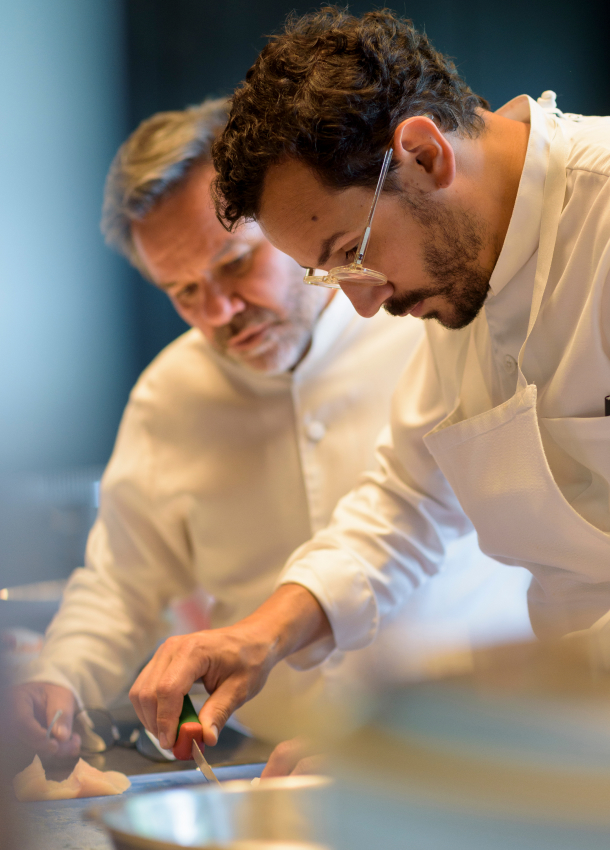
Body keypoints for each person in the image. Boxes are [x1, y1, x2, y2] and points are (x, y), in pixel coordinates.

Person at [126, 7, 610, 756]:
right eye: (328, 273)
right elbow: (407, 500)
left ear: (422, 154)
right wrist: (261, 636)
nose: (363, 301)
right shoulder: (460, 277)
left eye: (354, 250)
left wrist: (429, 744)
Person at [14, 96, 530, 758]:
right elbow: (119, 587)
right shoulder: (167, 399)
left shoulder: (428, 325)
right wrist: (57, 678)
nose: (222, 310)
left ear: (290, 223)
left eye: (235, 264)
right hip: (266, 763)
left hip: (473, 743)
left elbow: (406, 523)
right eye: (185, 292)